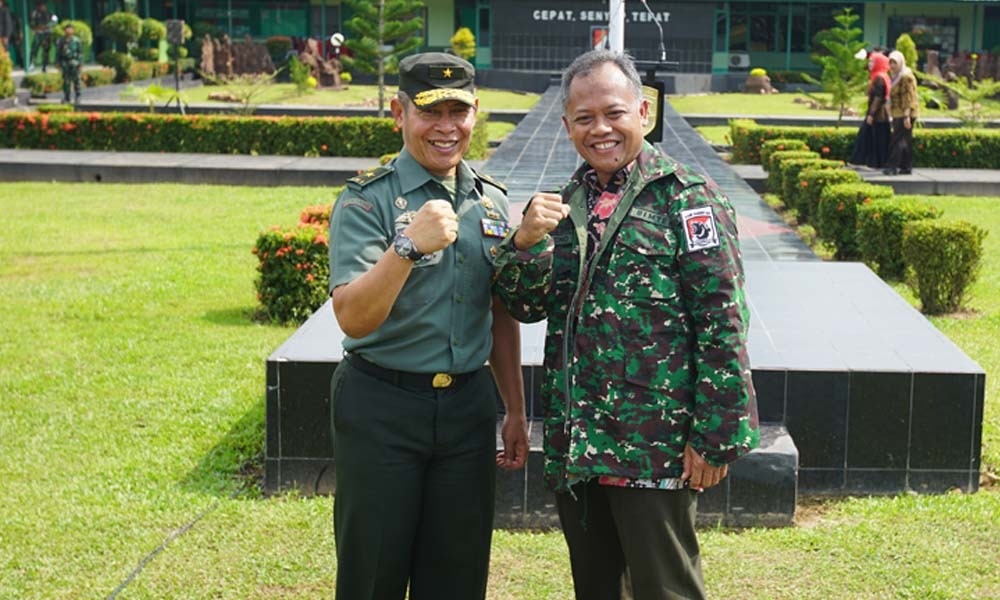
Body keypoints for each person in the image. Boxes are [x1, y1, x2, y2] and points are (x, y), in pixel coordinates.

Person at [493, 49, 760, 600]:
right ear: (566, 125)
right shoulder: (565, 204)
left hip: (654, 447)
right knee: (595, 588)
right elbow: (527, 306)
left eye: (614, 113)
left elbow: (723, 321)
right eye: (584, 118)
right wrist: (524, 243)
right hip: (580, 445)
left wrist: (715, 437)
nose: (601, 129)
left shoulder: (688, 200)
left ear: (643, 111)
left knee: (666, 589)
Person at [326, 52, 529, 600]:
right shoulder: (366, 200)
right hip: (382, 404)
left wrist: (514, 407)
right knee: (373, 573)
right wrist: (407, 247)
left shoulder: (491, 200)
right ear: (399, 113)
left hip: (466, 409)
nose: (446, 127)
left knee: (458, 575)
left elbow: (499, 311)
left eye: (458, 112)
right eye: (429, 112)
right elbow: (353, 317)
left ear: (475, 112)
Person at [850, 51, 891, 168]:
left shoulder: (879, 78)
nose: (870, 64)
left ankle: (865, 162)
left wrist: (871, 114)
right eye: (870, 62)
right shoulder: (880, 76)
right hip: (880, 114)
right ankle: (873, 162)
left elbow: (878, 98)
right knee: (875, 138)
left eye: (873, 62)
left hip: (878, 115)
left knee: (869, 138)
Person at [883, 50, 919, 175]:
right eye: (890, 63)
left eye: (895, 63)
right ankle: (906, 166)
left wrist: (906, 116)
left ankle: (892, 166)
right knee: (905, 140)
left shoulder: (905, 76)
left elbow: (908, 97)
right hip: (898, 112)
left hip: (904, 113)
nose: (892, 66)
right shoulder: (895, 76)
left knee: (896, 140)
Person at [56, 22, 81, 104]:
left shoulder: (76, 40)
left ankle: (78, 96)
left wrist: (80, 63)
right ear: (65, 30)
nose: (69, 30)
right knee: (66, 82)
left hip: (74, 63)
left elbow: (80, 52)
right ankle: (67, 97)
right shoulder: (61, 41)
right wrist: (57, 63)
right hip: (65, 63)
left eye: (70, 29)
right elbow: (58, 53)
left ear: (73, 30)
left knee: (76, 80)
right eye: (67, 29)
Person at [29, 1, 52, 72]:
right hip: (38, 34)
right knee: (34, 49)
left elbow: (53, 22)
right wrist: (38, 28)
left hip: (47, 34)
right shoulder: (34, 14)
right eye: (40, 6)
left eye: (43, 6)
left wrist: (47, 27)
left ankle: (45, 66)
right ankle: (31, 64)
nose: (42, 7)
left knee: (46, 50)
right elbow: (32, 24)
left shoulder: (49, 13)